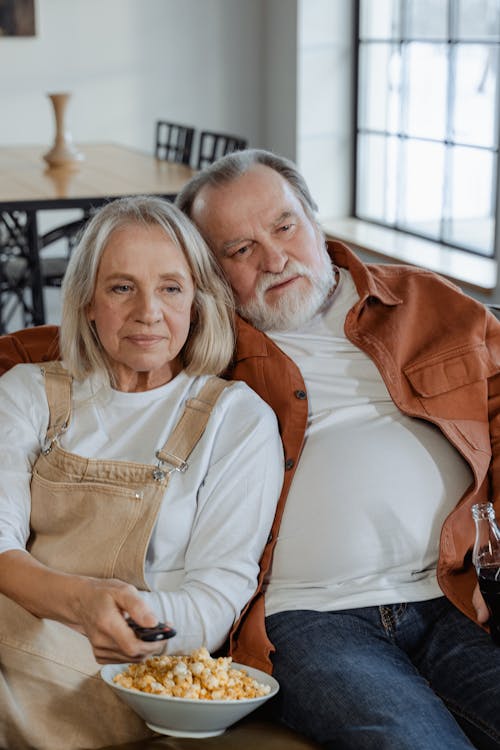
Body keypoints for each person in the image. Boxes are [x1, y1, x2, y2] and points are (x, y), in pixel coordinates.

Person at [2, 155, 500, 750]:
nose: (273, 258)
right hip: (311, 617)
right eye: (238, 249)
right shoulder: (215, 345)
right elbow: (103, 343)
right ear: (213, 281)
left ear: (316, 222)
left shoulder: (427, 303)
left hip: (450, 594)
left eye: (284, 227)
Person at [0, 194, 283, 750]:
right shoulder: (28, 392)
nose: (148, 311)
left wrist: (132, 623)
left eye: (171, 288)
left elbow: (217, 597)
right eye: (121, 287)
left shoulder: (234, 418)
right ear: (86, 302)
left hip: (117, 678)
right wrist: (78, 600)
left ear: (198, 302)